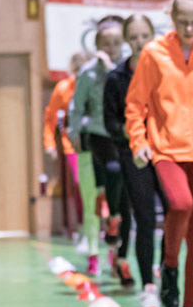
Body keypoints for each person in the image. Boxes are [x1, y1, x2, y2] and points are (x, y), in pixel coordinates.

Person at [126, 0, 193, 307]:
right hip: (166, 150)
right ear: (171, 16)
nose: (189, 27)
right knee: (180, 204)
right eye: (183, 21)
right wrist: (139, 142)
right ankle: (168, 265)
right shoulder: (154, 53)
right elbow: (135, 104)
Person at [105, 14, 163, 307]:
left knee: (177, 211)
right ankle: (148, 286)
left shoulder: (165, 69)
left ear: (153, 35)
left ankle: (167, 272)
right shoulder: (116, 78)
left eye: (145, 35)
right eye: (134, 37)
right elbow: (111, 122)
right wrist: (133, 134)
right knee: (145, 218)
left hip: (167, 152)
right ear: (127, 40)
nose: (140, 42)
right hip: (134, 155)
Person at [71, 16, 129, 281]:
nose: (112, 48)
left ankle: (117, 255)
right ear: (97, 45)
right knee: (92, 200)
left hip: (121, 139)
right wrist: (74, 133)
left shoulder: (127, 70)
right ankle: (93, 254)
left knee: (122, 203)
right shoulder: (88, 73)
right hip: (94, 139)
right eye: (107, 43)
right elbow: (76, 106)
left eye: (117, 42)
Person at [41, 59, 83, 241]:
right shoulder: (63, 88)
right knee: (78, 186)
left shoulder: (97, 83)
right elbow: (50, 118)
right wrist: (49, 143)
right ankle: (77, 228)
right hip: (71, 145)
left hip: (95, 144)